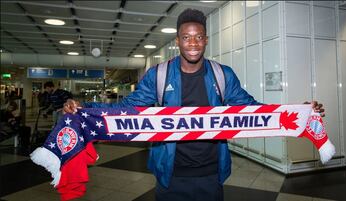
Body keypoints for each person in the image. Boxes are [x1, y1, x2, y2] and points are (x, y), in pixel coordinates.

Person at [63, 9, 325, 201]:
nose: (193, 43)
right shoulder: (159, 75)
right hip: (170, 173)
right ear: (177, 41)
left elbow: (253, 109)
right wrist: (82, 109)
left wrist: (298, 113)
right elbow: (128, 107)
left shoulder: (223, 75)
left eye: (198, 37)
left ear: (206, 40)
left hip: (210, 174)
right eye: (186, 38)